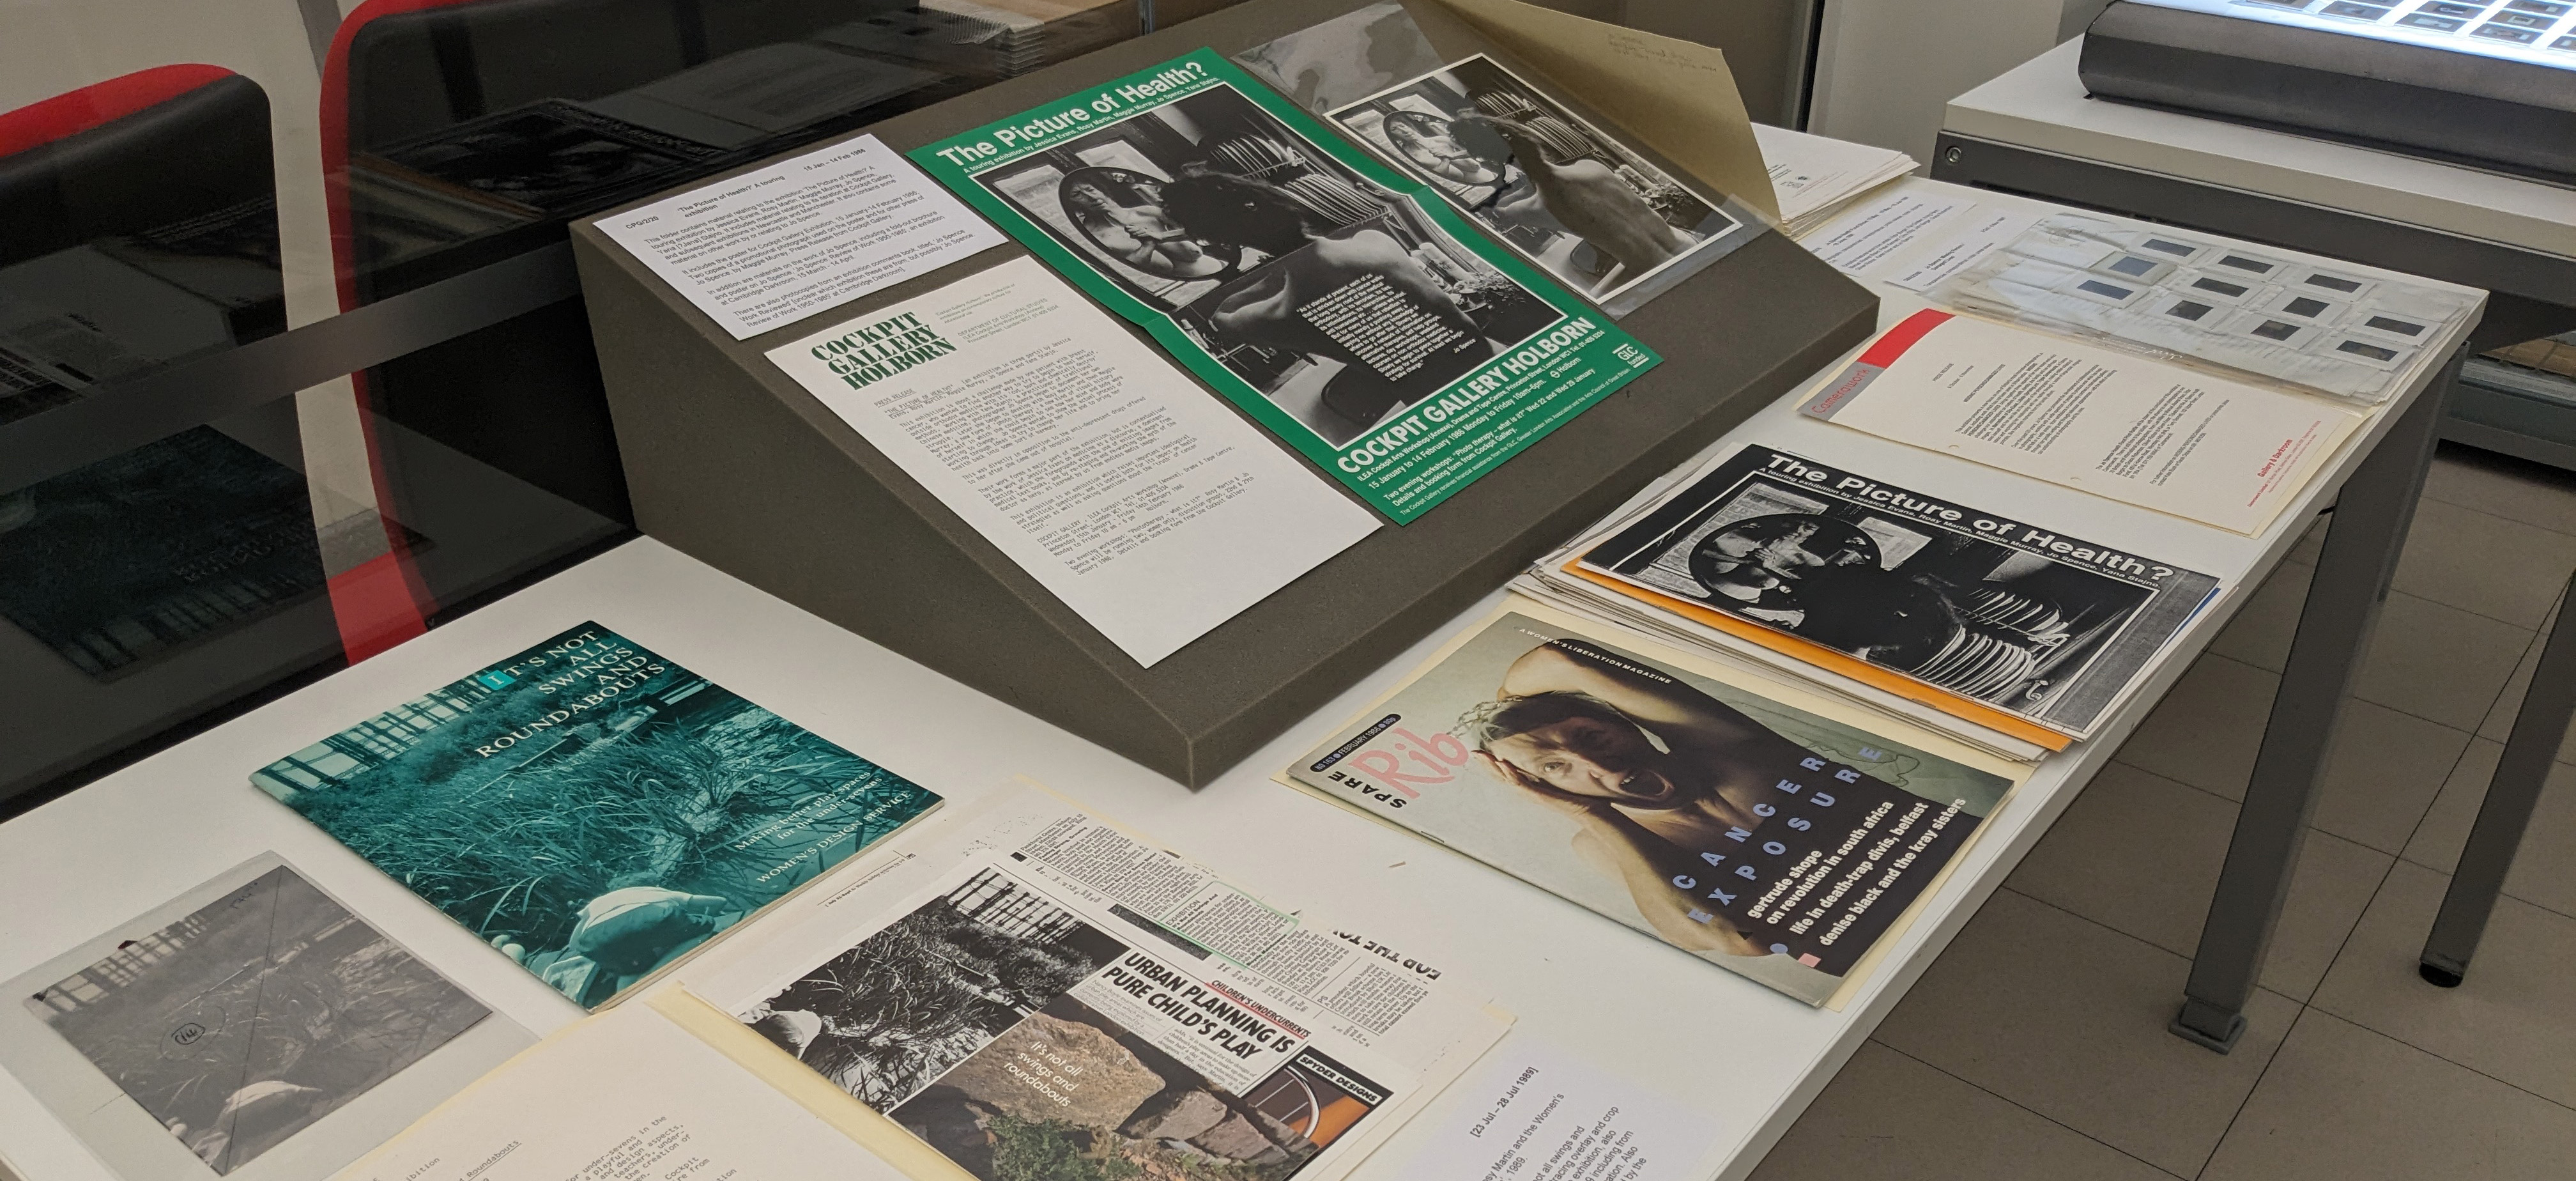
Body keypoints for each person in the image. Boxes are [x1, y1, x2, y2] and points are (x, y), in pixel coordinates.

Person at [1455, 636, 1975, 975]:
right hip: (1903, 966)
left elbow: (1556, 660)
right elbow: (1730, 939)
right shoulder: (1600, 841)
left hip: (1983, 869)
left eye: (1592, 736)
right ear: (1544, 789)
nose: (1601, 768)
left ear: (1628, 722)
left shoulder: (1720, 744)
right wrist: (1590, 813)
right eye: (1555, 768)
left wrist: (1507, 713)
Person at [1159, 173, 1501, 426]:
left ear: (1217, 238)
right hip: (1495, 361)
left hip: (1437, 406)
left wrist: (1275, 272)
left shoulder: (1277, 315)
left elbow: (1223, 314)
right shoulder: (1374, 242)